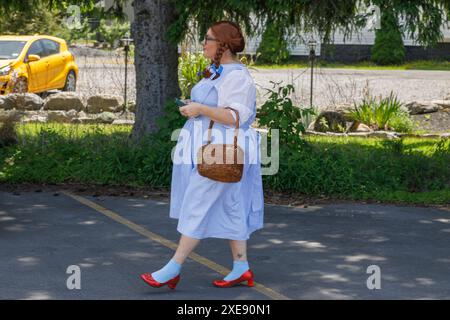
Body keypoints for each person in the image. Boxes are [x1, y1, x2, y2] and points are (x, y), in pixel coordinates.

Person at [140, 20, 264, 289]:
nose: (203, 43)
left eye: (207, 38)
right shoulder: (217, 71)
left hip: (222, 149)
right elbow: (210, 104)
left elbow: (235, 116)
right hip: (206, 144)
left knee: (198, 201)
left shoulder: (237, 76)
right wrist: (192, 106)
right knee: (232, 204)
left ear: (223, 44)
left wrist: (200, 109)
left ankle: (173, 267)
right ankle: (241, 266)